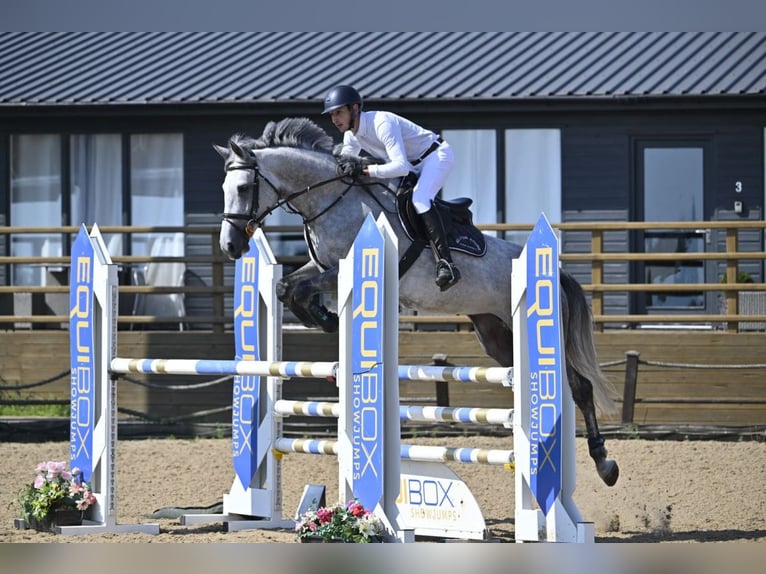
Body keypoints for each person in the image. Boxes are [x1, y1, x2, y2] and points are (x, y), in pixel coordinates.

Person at [322, 84, 461, 291]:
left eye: (339, 112)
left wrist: (367, 169)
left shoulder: (382, 123)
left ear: (355, 109)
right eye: (332, 115)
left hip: (435, 156)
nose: (335, 119)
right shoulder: (351, 135)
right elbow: (346, 165)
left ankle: (446, 263)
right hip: (413, 164)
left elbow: (401, 167)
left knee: (419, 198)